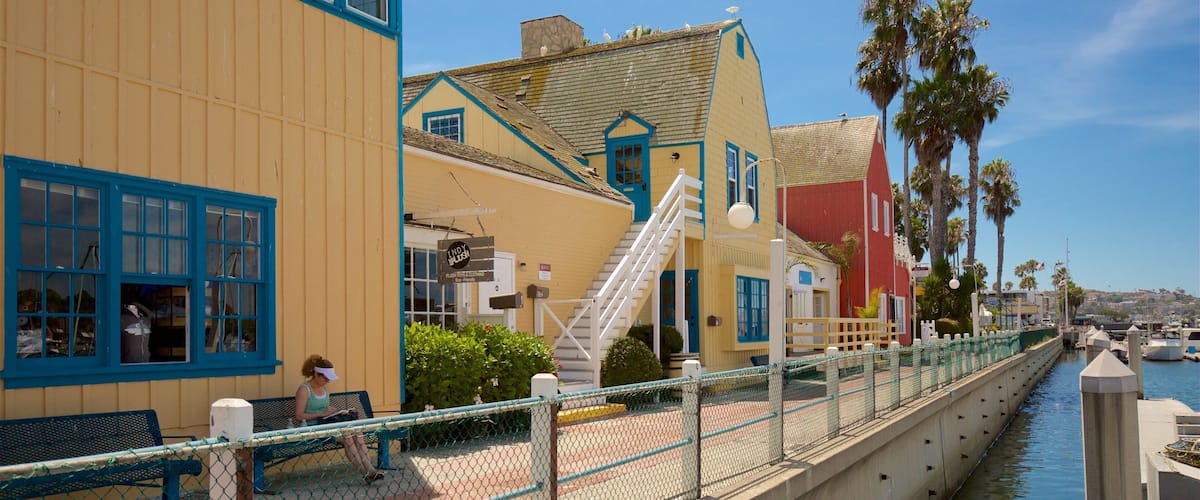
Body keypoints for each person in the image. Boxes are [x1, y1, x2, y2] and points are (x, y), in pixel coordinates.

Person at [295, 354, 384, 484]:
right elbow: (299, 416)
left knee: (357, 434)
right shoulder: (304, 390)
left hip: (328, 424)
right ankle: (367, 473)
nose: (328, 381)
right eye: (325, 378)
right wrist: (321, 414)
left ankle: (370, 471)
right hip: (312, 427)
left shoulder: (324, 388)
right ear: (316, 374)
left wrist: (335, 412)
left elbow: (323, 410)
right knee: (348, 436)